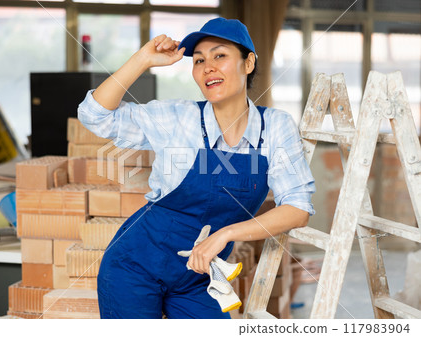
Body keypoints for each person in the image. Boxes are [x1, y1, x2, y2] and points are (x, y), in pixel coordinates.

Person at [78, 17, 315, 319]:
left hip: (197, 278)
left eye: (220, 56)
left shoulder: (276, 127)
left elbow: (297, 208)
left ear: (249, 63)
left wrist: (225, 234)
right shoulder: (178, 117)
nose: (207, 67)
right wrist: (143, 60)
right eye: (199, 60)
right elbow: (94, 115)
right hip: (134, 267)